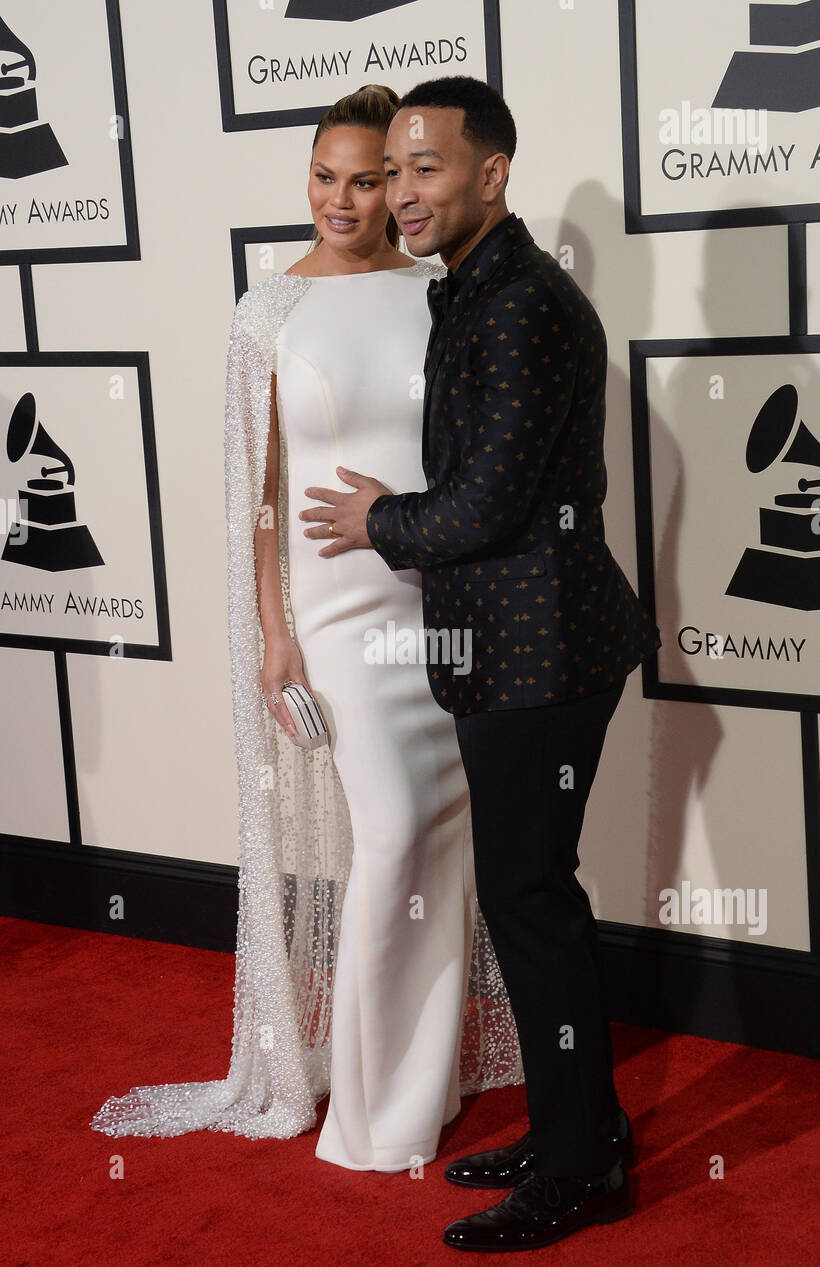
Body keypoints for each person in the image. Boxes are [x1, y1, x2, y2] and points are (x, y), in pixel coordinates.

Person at [91, 84, 522, 1171]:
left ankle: (421, 1083)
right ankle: (368, 1116)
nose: (342, 198)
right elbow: (264, 496)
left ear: (401, 186)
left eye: (366, 178)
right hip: (336, 611)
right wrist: (273, 635)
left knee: (438, 839)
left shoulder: (440, 293)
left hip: (439, 595)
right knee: (388, 837)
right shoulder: (265, 312)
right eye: (323, 178)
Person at [298, 75, 662, 1245]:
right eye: (388, 170)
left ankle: (578, 1168)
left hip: (539, 652)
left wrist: (376, 523)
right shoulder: (471, 283)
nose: (401, 192)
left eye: (424, 169)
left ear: (490, 173)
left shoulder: (518, 306)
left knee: (531, 902)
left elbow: (485, 506)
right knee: (528, 899)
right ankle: (582, 1128)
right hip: (506, 646)